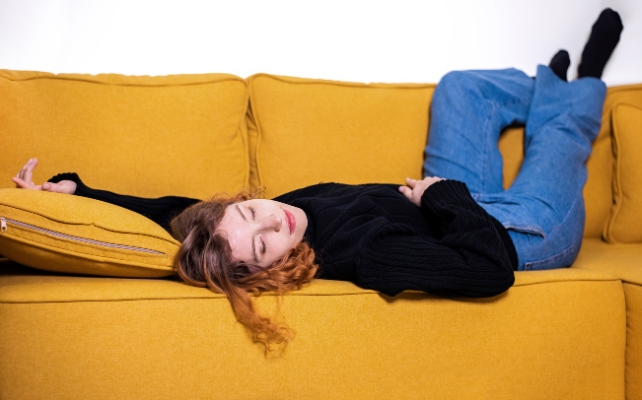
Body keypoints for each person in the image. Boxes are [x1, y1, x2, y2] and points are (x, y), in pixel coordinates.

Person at [11, 9, 623, 349]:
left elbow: (172, 209)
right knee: (561, 143)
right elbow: (489, 269)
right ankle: (575, 91)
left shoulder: (271, 214)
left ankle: (549, 91)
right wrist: (442, 195)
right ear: (267, 271)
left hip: (444, 199)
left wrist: (79, 193)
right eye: (262, 244)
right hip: (515, 233)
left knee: (462, 88)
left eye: (251, 212)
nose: (273, 220)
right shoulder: (365, 255)